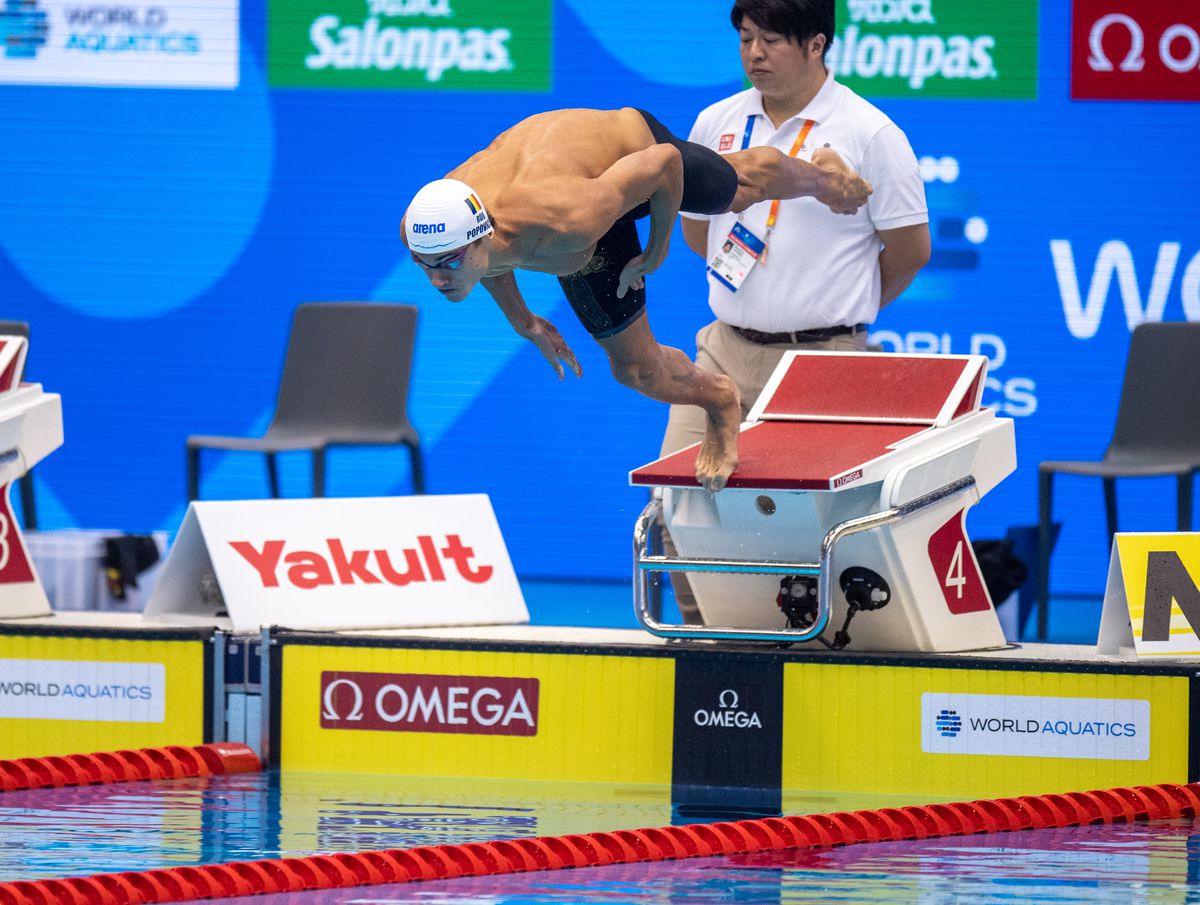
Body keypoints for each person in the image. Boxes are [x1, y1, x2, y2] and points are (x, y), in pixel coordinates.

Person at [402, 106, 872, 492]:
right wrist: (525, 322)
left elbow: (665, 161)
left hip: (633, 151)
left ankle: (827, 180)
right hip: (566, 192)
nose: (437, 280)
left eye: (448, 264)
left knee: (739, 191)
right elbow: (484, 261)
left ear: (481, 239)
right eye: (425, 264)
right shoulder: (428, 229)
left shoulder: (568, 218)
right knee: (636, 371)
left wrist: (656, 248)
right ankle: (721, 390)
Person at [659, 0, 931, 622]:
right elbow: (699, 234)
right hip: (722, 348)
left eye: (772, 41)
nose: (754, 53)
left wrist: (842, 317)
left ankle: (808, 652)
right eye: (746, 38)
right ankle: (702, 644)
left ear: (817, 44)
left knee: (807, 524)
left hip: (822, 362)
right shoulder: (714, 121)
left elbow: (911, 250)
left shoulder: (870, 133)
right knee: (678, 503)